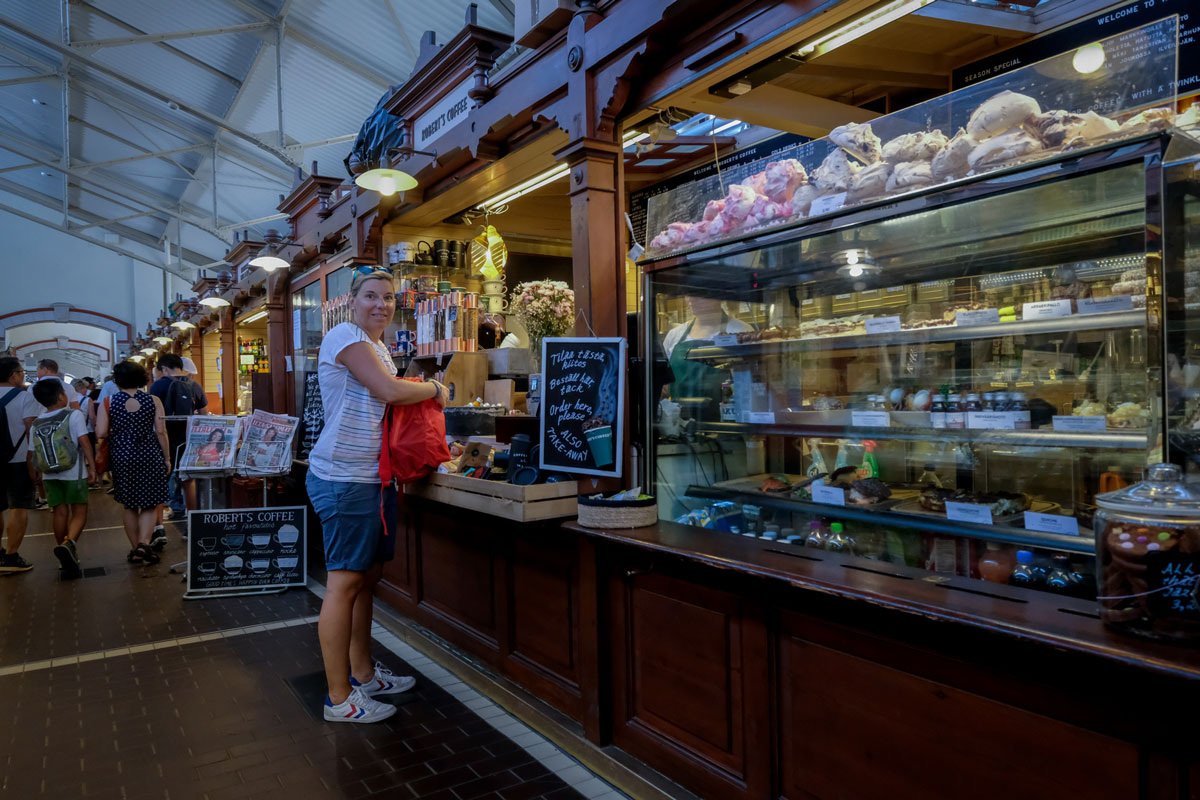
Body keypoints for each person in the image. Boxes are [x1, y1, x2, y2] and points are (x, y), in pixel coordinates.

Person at [307, 267, 448, 724]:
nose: (380, 305)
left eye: (388, 297)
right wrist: (436, 389)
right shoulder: (344, 336)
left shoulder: (379, 346)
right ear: (353, 301)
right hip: (344, 477)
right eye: (371, 296)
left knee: (364, 581)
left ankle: (364, 675)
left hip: (373, 476)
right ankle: (338, 698)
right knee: (344, 584)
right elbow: (388, 391)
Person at [96, 361, 169, 565]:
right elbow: (161, 432)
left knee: (129, 505)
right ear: (141, 378)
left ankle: (135, 548)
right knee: (149, 503)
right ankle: (144, 544)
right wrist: (167, 458)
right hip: (149, 454)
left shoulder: (109, 402)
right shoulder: (153, 400)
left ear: (117, 380)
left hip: (122, 456)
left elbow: (101, 432)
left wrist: (121, 433)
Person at [31, 379, 96, 579]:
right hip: (73, 472)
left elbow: (31, 453)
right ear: (61, 396)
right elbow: (84, 441)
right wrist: (92, 466)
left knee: (59, 513)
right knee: (79, 511)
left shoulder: (37, 422)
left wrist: (36, 476)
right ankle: (69, 544)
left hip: (49, 474)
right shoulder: (73, 415)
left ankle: (63, 556)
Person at [662, 296, 752, 419]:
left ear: (717, 295)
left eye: (698, 294)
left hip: (724, 422)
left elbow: (748, 384)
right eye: (688, 295)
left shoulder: (740, 331)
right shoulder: (674, 336)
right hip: (680, 424)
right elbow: (665, 384)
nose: (690, 300)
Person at [149, 353, 206, 538]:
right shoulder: (194, 385)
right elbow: (203, 415)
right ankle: (192, 523)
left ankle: (158, 528)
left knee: (159, 483)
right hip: (188, 441)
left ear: (164, 368)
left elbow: (154, 416)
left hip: (164, 441)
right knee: (188, 481)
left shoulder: (158, 386)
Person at [0, 356, 40, 573]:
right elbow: (30, 429)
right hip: (19, 460)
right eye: (22, 372)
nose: (23, 375)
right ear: (13, 375)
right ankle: (11, 557)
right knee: (19, 506)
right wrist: (34, 463)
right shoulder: (25, 397)